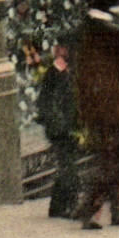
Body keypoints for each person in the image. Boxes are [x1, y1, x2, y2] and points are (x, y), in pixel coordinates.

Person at [74, 0, 119, 229]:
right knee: (114, 159)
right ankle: (91, 209)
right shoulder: (116, 33)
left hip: (91, 107)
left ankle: (117, 211)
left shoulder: (83, 31)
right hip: (116, 107)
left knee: (109, 157)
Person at [37, 41, 80, 219]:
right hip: (60, 129)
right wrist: (59, 124)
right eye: (64, 48)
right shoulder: (53, 73)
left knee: (66, 166)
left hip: (69, 127)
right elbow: (46, 103)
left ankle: (56, 207)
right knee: (68, 167)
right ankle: (71, 205)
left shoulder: (69, 71)